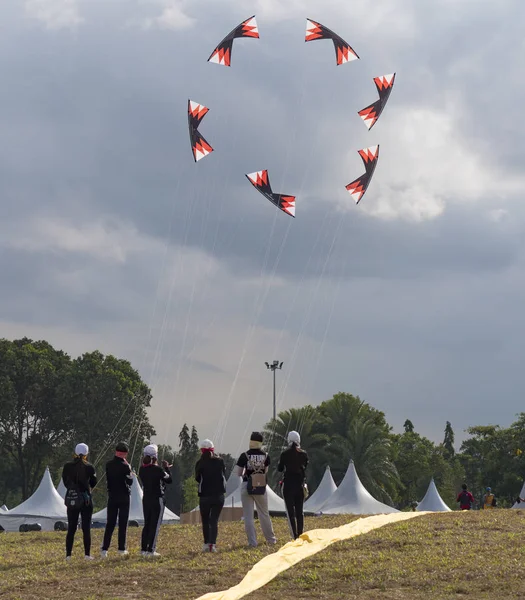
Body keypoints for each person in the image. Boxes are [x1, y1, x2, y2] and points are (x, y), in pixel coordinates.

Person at [234, 432, 277, 548]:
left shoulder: (244, 455)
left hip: (247, 485)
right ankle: (271, 539)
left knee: (248, 516)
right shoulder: (266, 455)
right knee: (264, 513)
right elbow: (265, 471)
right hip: (260, 485)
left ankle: (252, 542)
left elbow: (238, 473)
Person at [62, 443, 97, 560]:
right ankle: (87, 554)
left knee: (71, 527)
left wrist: (73, 489)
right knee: (86, 528)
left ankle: (68, 555)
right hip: (85, 499)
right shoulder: (89, 467)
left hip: (72, 498)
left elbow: (65, 482)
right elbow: (93, 482)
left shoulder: (67, 466)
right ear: (86, 454)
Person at [138, 444, 172, 557]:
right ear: (155, 457)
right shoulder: (158, 470)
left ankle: (143, 549)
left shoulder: (141, 469)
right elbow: (169, 480)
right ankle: (151, 550)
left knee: (147, 524)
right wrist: (166, 468)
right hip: (157, 499)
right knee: (155, 525)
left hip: (146, 499)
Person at [101, 441, 133, 557]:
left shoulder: (108, 464)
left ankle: (104, 549)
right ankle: (121, 548)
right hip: (124, 496)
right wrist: (129, 470)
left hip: (112, 495)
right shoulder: (125, 466)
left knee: (110, 523)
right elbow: (129, 481)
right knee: (123, 523)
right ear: (125, 454)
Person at [195, 439, 226, 552]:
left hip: (204, 495)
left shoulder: (200, 463)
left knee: (205, 520)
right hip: (218, 495)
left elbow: (197, 478)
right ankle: (213, 544)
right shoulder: (220, 461)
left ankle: (206, 544)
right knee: (214, 520)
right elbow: (224, 474)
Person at [277, 431, 308, 540]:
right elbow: (305, 466)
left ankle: (294, 535)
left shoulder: (284, 454)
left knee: (290, 512)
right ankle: (300, 533)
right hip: (299, 485)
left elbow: (280, 468)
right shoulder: (303, 454)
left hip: (288, 485)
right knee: (300, 511)